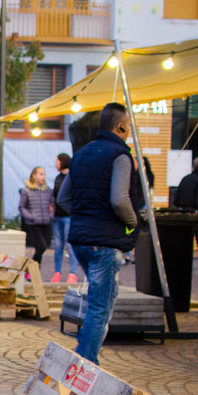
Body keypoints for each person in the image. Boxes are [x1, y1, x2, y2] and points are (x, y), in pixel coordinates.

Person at [56, 103, 137, 364]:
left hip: (80, 238)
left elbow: (63, 198)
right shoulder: (120, 155)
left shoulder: (81, 154)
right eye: (128, 127)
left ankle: (83, 360)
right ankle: (84, 367)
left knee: (95, 304)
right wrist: (134, 222)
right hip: (105, 242)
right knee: (100, 308)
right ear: (120, 126)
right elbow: (119, 200)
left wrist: (84, 214)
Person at [19, 166, 55, 267]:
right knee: (42, 246)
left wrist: (50, 216)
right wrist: (30, 216)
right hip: (34, 223)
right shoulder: (27, 191)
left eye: (44, 174)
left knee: (40, 247)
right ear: (34, 176)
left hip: (45, 222)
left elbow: (52, 204)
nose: (43, 177)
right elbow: (22, 207)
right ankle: (31, 268)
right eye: (41, 174)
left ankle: (35, 272)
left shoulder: (47, 191)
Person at [51, 153, 77, 283]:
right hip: (57, 216)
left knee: (70, 245)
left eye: (57, 161)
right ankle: (57, 272)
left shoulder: (73, 177)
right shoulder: (57, 178)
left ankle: (73, 273)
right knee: (58, 245)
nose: (55, 164)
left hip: (68, 216)